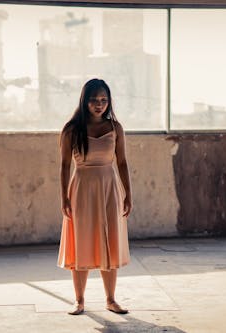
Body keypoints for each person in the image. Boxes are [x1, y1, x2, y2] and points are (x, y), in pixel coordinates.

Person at [57, 78, 132, 315]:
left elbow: (122, 162)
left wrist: (128, 194)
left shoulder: (115, 128)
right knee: (82, 242)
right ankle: (79, 300)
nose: (99, 104)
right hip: (81, 188)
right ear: (84, 101)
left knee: (109, 242)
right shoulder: (71, 129)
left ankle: (111, 299)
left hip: (110, 188)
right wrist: (64, 198)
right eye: (93, 100)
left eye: (103, 100)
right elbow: (64, 165)